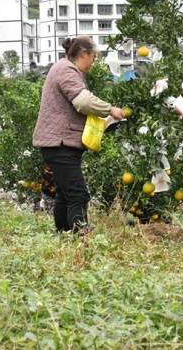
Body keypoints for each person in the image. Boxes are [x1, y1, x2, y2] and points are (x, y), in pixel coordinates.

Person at [33, 36, 124, 233]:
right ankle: (81, 235)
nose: (93, 62)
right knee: (78, 195)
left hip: (59, 143)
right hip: (60, 143)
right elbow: (83, 102)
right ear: (84, 53)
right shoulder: (66, 70)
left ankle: (64, 234)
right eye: (93, 57)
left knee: (66, 194)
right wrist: (110, 110)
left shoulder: (65, 68)